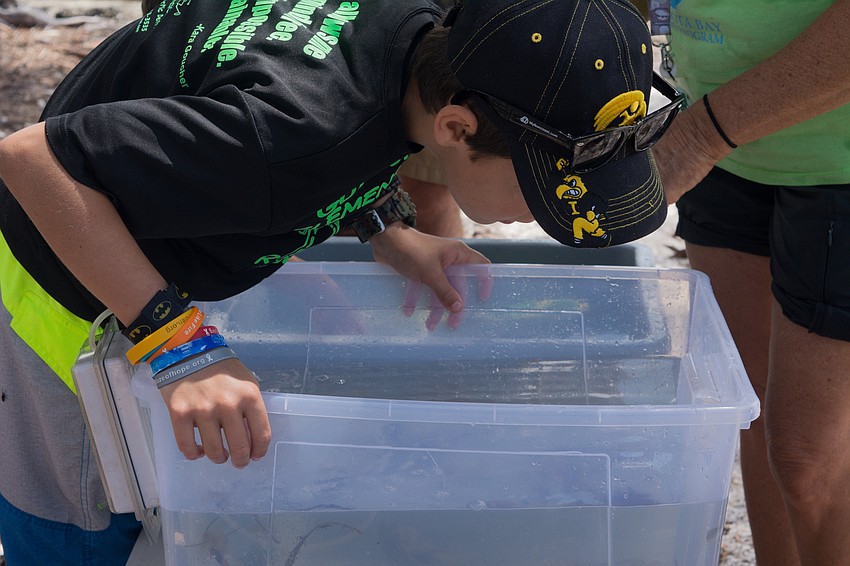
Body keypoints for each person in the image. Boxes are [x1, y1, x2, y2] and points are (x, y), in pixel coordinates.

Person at [0, 0, 674, 563]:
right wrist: (175, 342)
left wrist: (387, 226)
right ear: (455, 126)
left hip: (156, 240)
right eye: (540, 191)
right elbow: (33, 162)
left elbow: (348, 114)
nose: (542, 210)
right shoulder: (290, 132)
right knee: (84, 522)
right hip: (71, 283)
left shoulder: (418, 35)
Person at [651, 1, 850, 564]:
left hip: (832, 160)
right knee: (751, 412)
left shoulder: (698, 138)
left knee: (806, 459)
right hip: (716, 131)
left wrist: (698, 139)